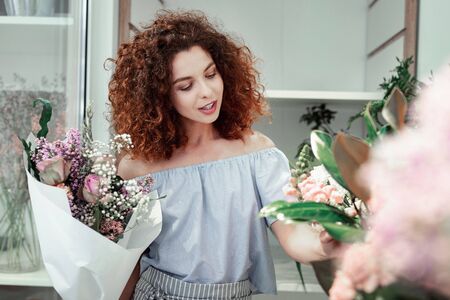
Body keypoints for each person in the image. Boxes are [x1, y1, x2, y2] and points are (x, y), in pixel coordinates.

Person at [109, 10, 342, 300]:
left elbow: (293, 234)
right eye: (186, 85)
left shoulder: (258, 155)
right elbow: (127, 264)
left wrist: (327, 243)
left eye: (210, 74)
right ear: (159, 95)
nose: (207, 92)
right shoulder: (138, 168)